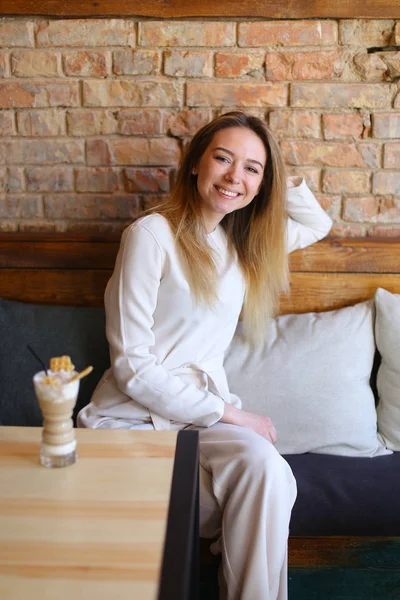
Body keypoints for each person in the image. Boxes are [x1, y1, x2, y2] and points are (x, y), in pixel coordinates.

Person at [78, 111, 332, 600]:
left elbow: (316, 223)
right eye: (223, 158)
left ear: (263, 184)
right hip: (132, 423)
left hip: (194, 428)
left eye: (252, 169)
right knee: (260, 483)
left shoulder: (243, 245)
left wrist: (281, 171)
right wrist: (234, 414)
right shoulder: (149, 236)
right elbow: (133, 366)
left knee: (267, 469)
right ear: (196, 163)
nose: (235, 176)